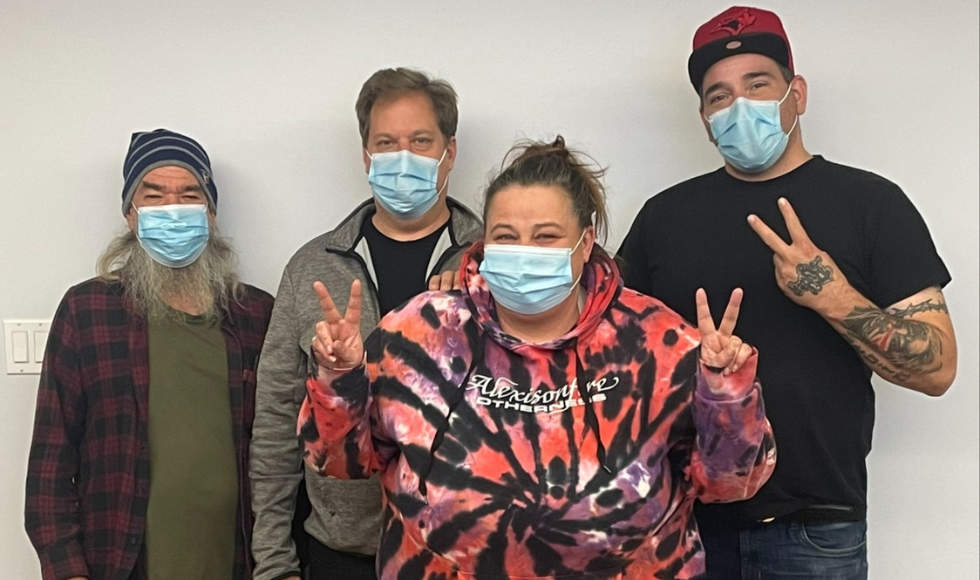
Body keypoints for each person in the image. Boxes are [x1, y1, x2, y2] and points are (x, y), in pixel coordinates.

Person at [298, 137, 776, 579]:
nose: (524, 252)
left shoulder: (658, 340)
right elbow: (337, 461)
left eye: (546, 236)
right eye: (506, 236)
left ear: (585, 243)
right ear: (483, 244)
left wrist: (726, 393)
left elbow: (730, 485)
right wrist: (339, 377)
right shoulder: (419, 333)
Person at [617, 6, 958, 579]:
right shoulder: (663, 217)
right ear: (703, 117)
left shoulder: (870, 204)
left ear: (795, 93)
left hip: (817, 529)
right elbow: (598, 347)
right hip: (680, 524)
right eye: (719, 96)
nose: (738, 106)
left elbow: (937, 369)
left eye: (758, 85)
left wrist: (832, 296)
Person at [250, 67, 483, 580]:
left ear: (450, 150)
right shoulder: (312, 267)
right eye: (387, 142)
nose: (404, 157)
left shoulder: (494, 262)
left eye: (421, 140)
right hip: (341, 551)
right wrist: (273, 562)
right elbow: (274, 420)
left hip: (463, 555)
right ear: (365, 155)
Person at [24, 128, 275, 580]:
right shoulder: (88, 311)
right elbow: (50, 466)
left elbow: (281, 456)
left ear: (211, 213)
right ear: (131, 213)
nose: (173, 210)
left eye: (189, 195)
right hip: (119, 564)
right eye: (154, 195)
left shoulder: (256, 314)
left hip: (239, 564)